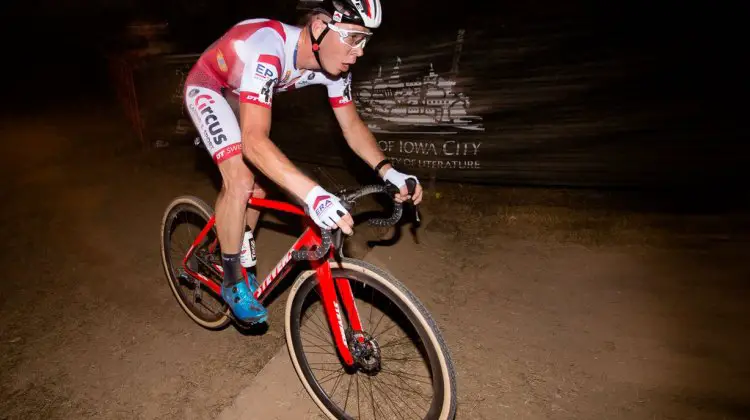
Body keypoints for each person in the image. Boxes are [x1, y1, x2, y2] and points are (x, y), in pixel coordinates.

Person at [182, 0, 423, 325]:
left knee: (263, 184)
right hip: (211, 86)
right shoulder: (269, 48)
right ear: (321, 28)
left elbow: (352, 128)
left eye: (365, 40)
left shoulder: (335, 70)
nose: (360, 51)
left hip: (243, 92)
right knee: (239, 179)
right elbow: (254, 142)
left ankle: (237, 242)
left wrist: (389, 170)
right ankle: (232, 280)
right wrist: (314, 196)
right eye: (354, 37)